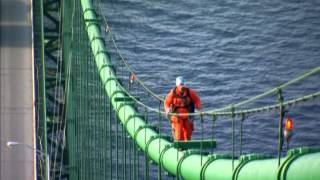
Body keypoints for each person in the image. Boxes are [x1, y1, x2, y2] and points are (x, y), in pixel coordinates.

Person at [164, 76, 202, 141]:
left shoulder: (189, 92)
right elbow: (166, 102)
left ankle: (187, 146)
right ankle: (180, 147)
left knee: (188, 132)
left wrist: (198, 107)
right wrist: (167, 109)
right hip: (177, 116)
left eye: (182, 85)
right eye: (180, 85)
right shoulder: (173, 93)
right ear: (177, 86)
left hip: (188, 116)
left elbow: (197, 100)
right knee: (179, 132)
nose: (182, 87)